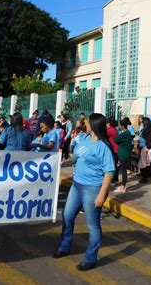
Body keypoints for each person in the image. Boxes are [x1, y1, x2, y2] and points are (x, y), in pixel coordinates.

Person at [53, 113, 115, 271]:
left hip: (93, 188)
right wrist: (68, 161)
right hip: (77, 185)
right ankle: (64, 247)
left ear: (94, 125)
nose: (84, 124)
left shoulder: (103, 146)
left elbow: (109, 172)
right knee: (67, 215)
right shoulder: (84, 139)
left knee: (93, 225)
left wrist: (102, 194)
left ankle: (90, 258)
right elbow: (76, 156)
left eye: (87, 123)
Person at [114, 118, 134, 192]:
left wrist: (119, 142)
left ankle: (123, 186)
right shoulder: (127, 133)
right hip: (124, 153)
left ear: (122, 126)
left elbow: (115, 139)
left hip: (123, 154)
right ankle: (123, 185)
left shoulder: (125, 133)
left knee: (123, 171)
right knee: (123, 170)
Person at [138, 117, 151, 184]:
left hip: (146, 149)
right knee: (142, 163)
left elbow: (150, 140)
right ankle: (143, 176)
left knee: (146, 163)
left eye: (143, 122)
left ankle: (145, 177)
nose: (141, 123)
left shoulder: (150, 130)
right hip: (141, 147)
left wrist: (147, 148)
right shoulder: (143, 130)